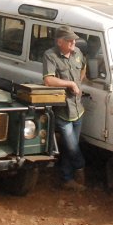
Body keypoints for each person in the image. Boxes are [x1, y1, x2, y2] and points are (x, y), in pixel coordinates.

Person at [42, 26, 87, 191]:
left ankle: (67, 179)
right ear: (59, 42)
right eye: (69, 40)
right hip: (63, 110)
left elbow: (84, 68)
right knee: (72, 146)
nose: (73, 42)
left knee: (70, 147)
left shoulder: (78, 53)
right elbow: (48, 80)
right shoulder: (50, 55)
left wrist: (79, 83)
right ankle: (80, 167)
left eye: (74, 39)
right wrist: (71, 84)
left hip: (78, 109)